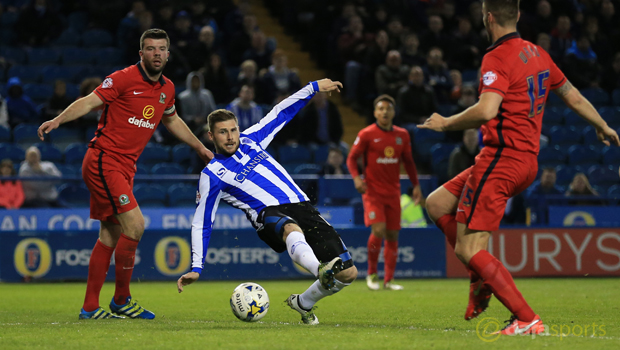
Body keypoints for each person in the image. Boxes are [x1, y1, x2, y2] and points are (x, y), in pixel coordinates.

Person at [420, 0, 619, 336]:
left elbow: (486, 110)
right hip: (525, 161)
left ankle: (527, 318)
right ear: (519, 16)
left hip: (502, 158)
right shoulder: (537, 52)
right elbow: (571, 95)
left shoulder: (496, 57)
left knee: (468, 248)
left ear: (488, 17)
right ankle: (481, 277)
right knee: (436, 204)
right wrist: (602, 124)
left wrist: (445, 123)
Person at [37, 29, 213, 320]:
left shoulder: (167, 88)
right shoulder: (122, 78)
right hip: (103, 161)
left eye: (161, 49)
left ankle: (90, 307)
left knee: (110, 233)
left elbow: (172, 119)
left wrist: (199, 147)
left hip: (124, 167)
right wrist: (58, 120)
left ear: (168, 55)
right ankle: (121, 299)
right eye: (150, 48)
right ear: (141, 53)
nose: (156, 54)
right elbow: (90, 101)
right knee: (135, 225)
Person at [176, 79, 358, 326]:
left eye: (233, 130)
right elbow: (202, 222)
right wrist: (197, 266)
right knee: (289, 229)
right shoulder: (211, 175)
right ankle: (319, 270)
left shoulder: (252, 139)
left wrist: (313, 87)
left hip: (301, 205)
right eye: (222, 132)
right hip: (267, 215)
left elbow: (281, 111)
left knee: (348, 273)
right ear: (211, 135)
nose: (230, 137)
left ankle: (303, 302)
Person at [346, 94, 422, 291]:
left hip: (393, 192)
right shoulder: (366, 134)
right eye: (381, 109)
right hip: (372, 192)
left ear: (393, 112)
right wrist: (356, 178)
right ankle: (371, 274)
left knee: (392, 235)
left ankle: (389, 280)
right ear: (375, 112)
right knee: (378, 230)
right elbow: (351, 159)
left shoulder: (402, 135)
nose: (384, 112)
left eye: (388, 108)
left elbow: (409, 162)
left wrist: (416, 185)